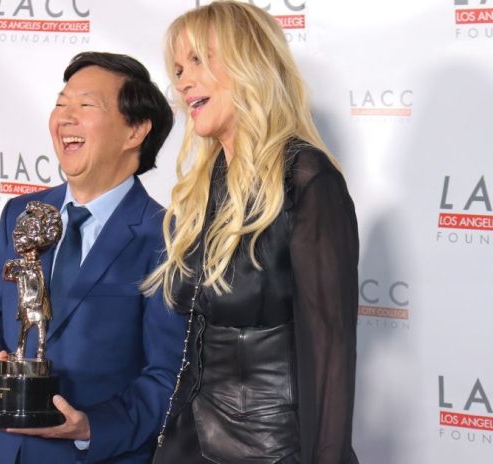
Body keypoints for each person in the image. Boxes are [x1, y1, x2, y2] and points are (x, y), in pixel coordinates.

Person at [143, 2, 360, 463]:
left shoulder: (305, 178)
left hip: (272, 451)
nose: (183, 81)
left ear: (250, 63)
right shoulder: (202, 188)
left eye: (199, 60)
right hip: (186, 443)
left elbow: (331, 354)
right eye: (179, 68)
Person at [0, 51, 185, 464]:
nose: (65, 117)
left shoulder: (168, 237)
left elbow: (167, 375)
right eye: (61, 104)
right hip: (0, 451)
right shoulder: (21, 215)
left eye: (85, 106)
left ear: (135, 130)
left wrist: (91, 427)